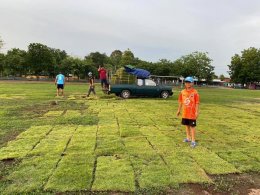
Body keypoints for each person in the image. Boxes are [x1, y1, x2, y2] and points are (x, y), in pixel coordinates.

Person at [176, 76, 200, 148]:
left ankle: (193, 141)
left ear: (192, 83)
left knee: (192, 126)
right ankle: (188, 138)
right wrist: (178, 110)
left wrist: (196, 111)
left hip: (192, 113)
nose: (188, 84)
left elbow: (197, 103)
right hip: (185, 113)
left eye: (189, 82)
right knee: (186, 125)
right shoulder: (182, 92)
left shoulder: (195, 93)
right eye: (186, 82)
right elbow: (180, 102)